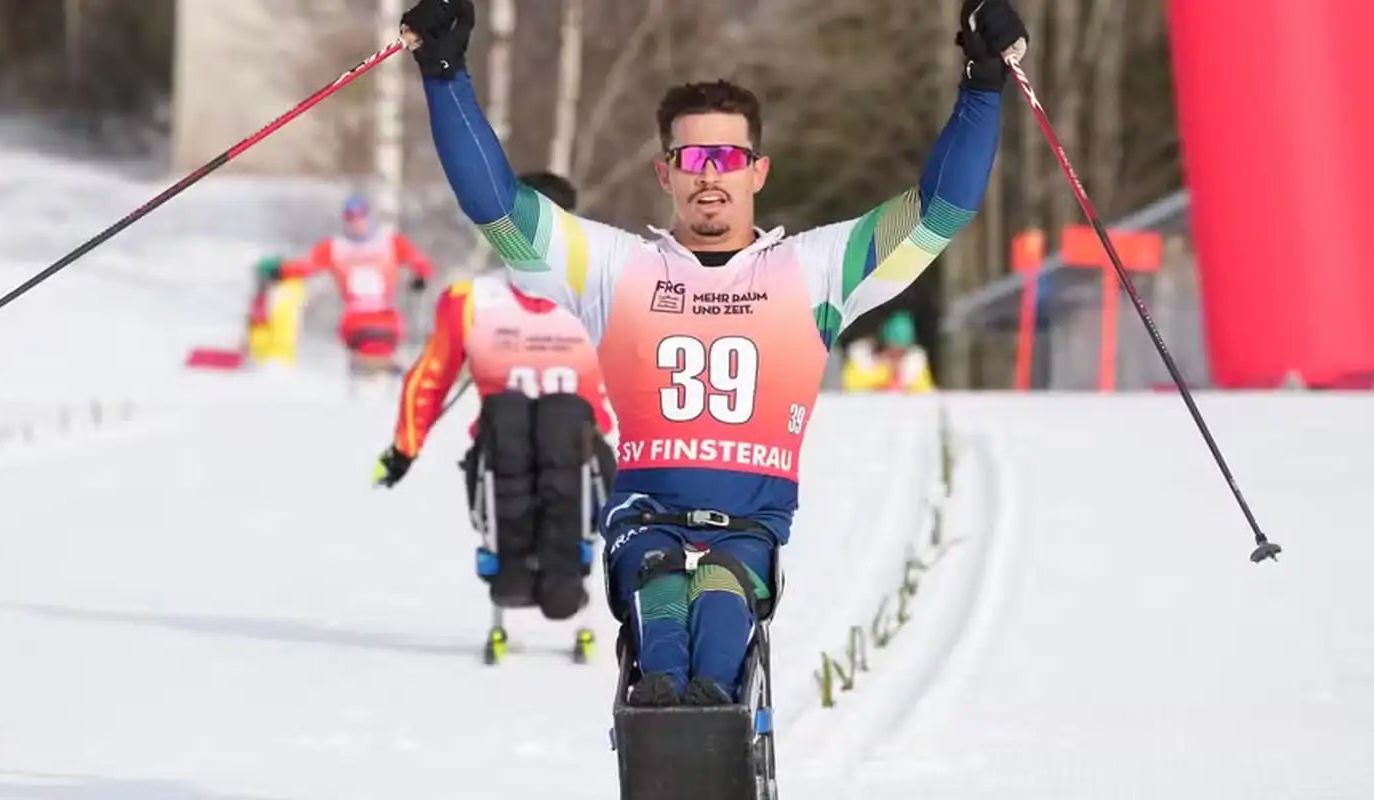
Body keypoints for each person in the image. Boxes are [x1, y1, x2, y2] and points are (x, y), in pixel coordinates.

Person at [400, 0, 1024, 705]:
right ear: (665, 173)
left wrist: (981, 84)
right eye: (691, 158)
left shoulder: (817, 270)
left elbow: (940, 210)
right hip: (646, 520)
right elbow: (498, 207)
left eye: (727, 158)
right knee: (662, 623)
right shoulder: (613, 268)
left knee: (722, 618)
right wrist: (445, 74)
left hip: (749, 527)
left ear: (757, 172)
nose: (709, 174)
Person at [372, 171, 617, 621]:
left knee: (561, 415)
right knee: (509, 412)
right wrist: (404, 449)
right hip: (502, 448)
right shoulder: (472, 301)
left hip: (581, 452)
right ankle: (513, 562)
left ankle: (563, 567)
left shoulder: (605, 295)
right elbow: (431, 377)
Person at [271, 194, 435, 377]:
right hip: (355, 318)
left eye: (361, 217)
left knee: (388, 336)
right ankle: (370, 369)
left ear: (369, 217)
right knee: (364, 342)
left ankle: (387, 369)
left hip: (386, 315)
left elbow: (418, 261)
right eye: (351, 218)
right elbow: (307, 266)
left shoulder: (389, 243)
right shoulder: (335, 247)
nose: (357, 223)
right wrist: (280, 272)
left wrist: (420, 278)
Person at [841, 310, 935, 392]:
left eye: (902, 351)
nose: (897, 355)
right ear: (883, 345)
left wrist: (901, 376)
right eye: (893, 350)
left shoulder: (914, 365)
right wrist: (883, 372)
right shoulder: (861, 361)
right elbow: (850, 388)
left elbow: (925, 394)